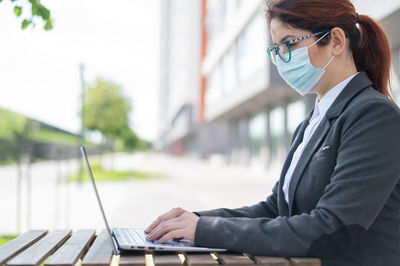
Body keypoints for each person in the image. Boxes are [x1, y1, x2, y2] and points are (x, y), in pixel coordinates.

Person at [145, 0, 400, 265]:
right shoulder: (312, 121)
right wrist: (196, 221)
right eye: (276, 49)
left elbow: (333, 229)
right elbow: (276, 208)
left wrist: (206, 231)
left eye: (289, 44)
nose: (281, 59)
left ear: (335, 40)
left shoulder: (373, 116)